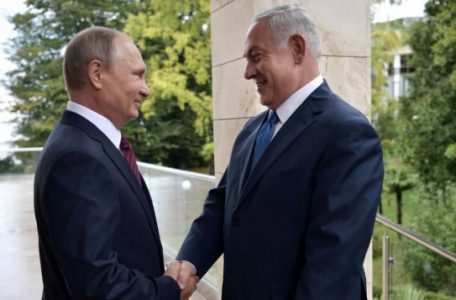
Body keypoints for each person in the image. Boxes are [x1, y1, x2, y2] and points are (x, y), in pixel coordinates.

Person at [176, 4, 383, 299]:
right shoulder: (252, 130)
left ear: (297, 49)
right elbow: (223, 205)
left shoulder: (347, 133)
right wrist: (188, 263)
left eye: (256, 57)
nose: (247, 72)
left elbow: (332, 266)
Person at [34, 26, 197, 299]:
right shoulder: (78, 159)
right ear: (97, 74)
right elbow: (98, 286)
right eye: (138, 74)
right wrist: (169, 290)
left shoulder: (86, 144)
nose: (147, 90)